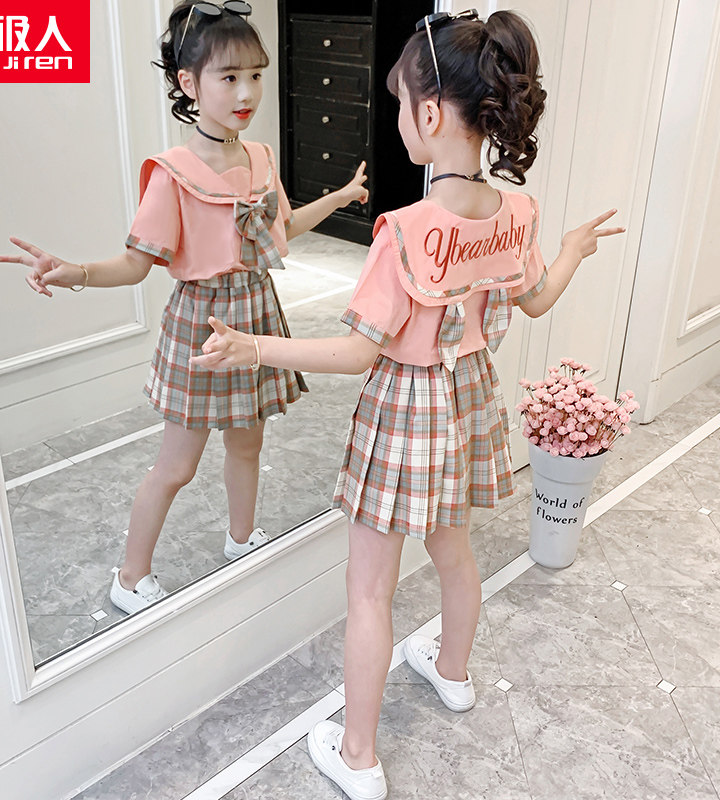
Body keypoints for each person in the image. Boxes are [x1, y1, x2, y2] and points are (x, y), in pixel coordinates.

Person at [190, 8, 624, 800]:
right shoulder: (517, 213)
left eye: (400, 105)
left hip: (405, 409)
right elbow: (535, 300)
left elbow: (358, 352)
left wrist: (256, 347)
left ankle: (358, 755)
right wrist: (570, 250)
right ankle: (452, 671)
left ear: (429, 115)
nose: (398, 120)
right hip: (468, 399)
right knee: (455, 552)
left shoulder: (402, 231)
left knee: (369, 590)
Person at [0, 0, 368, 615]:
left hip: (256, 316)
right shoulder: (173, 173)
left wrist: (340, 196)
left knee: (247, 445)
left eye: (255, 74)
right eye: (229, 76)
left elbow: (279, 231)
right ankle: (129, 576)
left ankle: (241, 538)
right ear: (188, 82)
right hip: (200, 324)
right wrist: (76, 272)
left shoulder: (261, 158)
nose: (246, 91)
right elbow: (135, 263)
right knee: (177, 466)